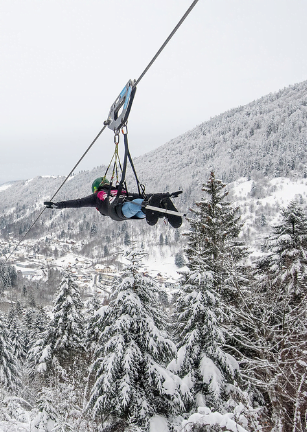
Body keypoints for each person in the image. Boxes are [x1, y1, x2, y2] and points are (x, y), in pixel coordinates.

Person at [44, 177, 182, 228]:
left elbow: (78, 203)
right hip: (122, 209)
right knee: (141, 202)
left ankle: (157, 211)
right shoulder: (104, 195)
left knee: (143, 204)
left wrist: (58, 205)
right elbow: (78, 202)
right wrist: (59, 205)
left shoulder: (110, 193)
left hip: (124, 211)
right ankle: (156, 208)